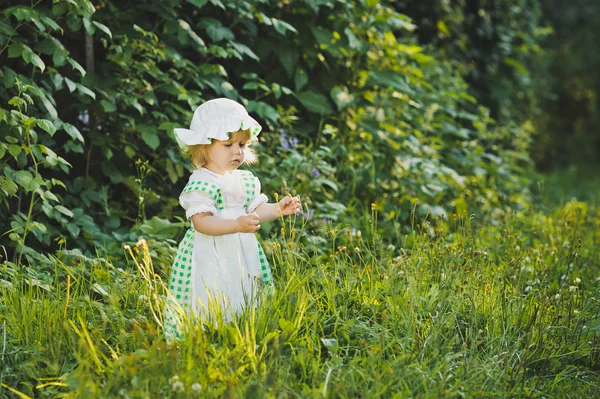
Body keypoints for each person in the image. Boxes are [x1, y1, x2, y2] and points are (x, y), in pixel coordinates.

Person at [164, 98, 301, 340]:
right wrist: (236, 225)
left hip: (240, 251)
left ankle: (240, 329)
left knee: (242, 288)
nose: (237, 151)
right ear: (204, 147)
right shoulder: (202, 182)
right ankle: (208, 333)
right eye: (228, 144)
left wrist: (278, 209)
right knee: (212, 290)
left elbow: (255, 212)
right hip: (210, 252)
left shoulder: (244, 180)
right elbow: (201, 222)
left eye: (242, 144)